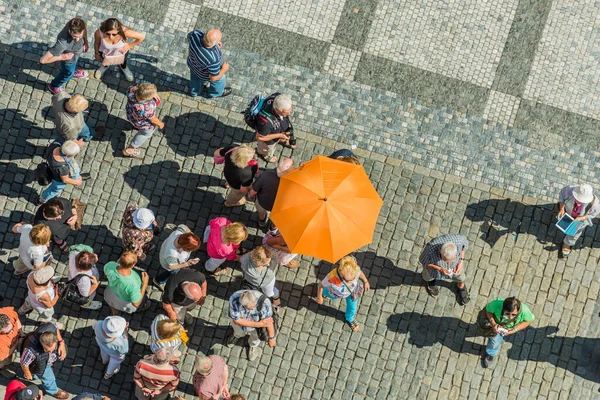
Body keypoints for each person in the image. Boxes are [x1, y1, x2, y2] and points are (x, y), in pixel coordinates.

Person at [315, 255, 371, 332]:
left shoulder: (354, 269)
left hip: (352, 293)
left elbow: (360, 273)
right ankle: (323, 294)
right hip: (334, 293)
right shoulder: (332, 277)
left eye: (354, 278)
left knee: (352, 308)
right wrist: (319, 296)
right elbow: (321, 285)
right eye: (347, 281)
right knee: (326, 292)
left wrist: (365, 281)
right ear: (341, 274)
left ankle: (350, 318)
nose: (351, 282)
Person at [20, 322, 69, 399]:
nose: (49, 352)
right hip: (39, 365)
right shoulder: (31, 350)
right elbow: (24, 362)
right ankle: (53, 390)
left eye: (52, 349)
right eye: (46, 350)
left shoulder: (50, 328)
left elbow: (55, 328)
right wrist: (27, 373)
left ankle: (35, 375)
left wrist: (61, 343)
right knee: (48, 378)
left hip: (47, 361)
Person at [40, 18, 89, 94]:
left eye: (80, 36)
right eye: (74, 36)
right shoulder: (62, 44)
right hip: (68, 60)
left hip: (75, 53)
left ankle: (73, 71)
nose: (77, 40)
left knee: (71, 69)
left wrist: (86, 42)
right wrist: (62, 57)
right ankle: (54, 86)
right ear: (69, 30)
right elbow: (43, 60)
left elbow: (84, 31)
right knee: (68, 73)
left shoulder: (78, 23)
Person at [482, 297, 534, 367]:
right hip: (496, 327)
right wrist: (493, 324)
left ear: (518, 311)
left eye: (513, 315)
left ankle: (491, 353)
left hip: (507, 329)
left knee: (494, 342)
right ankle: (491, 353)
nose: (510, 317)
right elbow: (488, 310)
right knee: (494, 343)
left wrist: (514, 330)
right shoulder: (496, 304)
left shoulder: (524, 310)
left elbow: (529, 320)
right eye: (507, 313)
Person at [419, 234, 470, 305]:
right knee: (428, 276)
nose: (448, 264)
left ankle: (461, 286)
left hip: (456, 267)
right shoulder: (430, 248)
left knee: (461, 277)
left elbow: (465, 245)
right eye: (446, 261)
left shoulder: (459, 240)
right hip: (434, 269)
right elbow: (423, 262)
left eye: (452, 259)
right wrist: (439, 268)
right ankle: (431, 282)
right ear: (440, 251)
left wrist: (461, 261)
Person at [227, 290, 276, 361]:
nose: (253, 308)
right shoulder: (234, 299)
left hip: (256, 328)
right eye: (250, 308)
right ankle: (237, 335)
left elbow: (269, 322)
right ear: (243, 305)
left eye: (254, 306)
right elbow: (237, 320)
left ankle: (253, 345)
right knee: (237, 331)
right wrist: (259, 324)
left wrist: (272, 338)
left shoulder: (265, 302)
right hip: (241, 324)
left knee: (255, 337)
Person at [248, 158, 294, 227]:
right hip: (280, 208)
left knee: (261, 213)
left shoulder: (266, 176)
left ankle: (262, 222)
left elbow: (253, 191)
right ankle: (273, 227)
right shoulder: (294, 183)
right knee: (277, 219)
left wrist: (250, 196)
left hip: (263, 202)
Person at [187, 29, 231, 98]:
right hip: (204, 74)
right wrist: (224, 69)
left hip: (192, 65)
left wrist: (213, 44)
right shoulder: (213, 58)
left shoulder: (195, 34)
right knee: (220, 79)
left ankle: (194, 92)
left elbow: (189, 36)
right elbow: (213, 77)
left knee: (195, 79)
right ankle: (215, 93)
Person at [122, 84, 164, 158]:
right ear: (146, 98)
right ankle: (131, 148)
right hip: (141, 123)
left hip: (131, 115)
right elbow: (153, 119)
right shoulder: (148, 107)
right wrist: (160, 124)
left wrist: (151, 93)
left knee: (135, 123)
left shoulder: (132, 89)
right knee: (146, 134)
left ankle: (134, 127)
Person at [558, 183, 600, 256]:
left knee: (575, 232)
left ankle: (567, 243)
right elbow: (561, 195)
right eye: (577, 198)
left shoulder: (595, 205)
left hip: (581, 220)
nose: (578, 201)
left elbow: (592, 215)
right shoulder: (569, 189)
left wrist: (582, 218)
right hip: (568, 213)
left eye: (581, 200)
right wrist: (561, 208)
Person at [154, 225, 201, 289]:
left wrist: (190, 235)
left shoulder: (179, 232)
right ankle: (159, 281)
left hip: (168, 254)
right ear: (184, 248)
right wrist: (187, 264)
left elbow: (183, 226)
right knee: (172, 273)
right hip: (169, 263)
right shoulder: (172, 254)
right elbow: (171, 266)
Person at [254, 94, 296, 163]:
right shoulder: (265, 123)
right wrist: (280, 135)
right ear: (277, 110)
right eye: (285, 112)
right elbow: (260, 137)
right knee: (266, 149)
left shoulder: (279, 99)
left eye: (290, 111)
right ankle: (264, 154)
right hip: (268, 142)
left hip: (277, 130)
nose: (289, 114)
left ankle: (280, 140)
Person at [67, 244, 102, 310]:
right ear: (87, 269)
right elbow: (85, 294)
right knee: (89, 296)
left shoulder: (73, 254)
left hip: (72, 275)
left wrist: (92, 257)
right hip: (80, 284)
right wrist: (95, 285)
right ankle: (86, 304)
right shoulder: (84, 280)